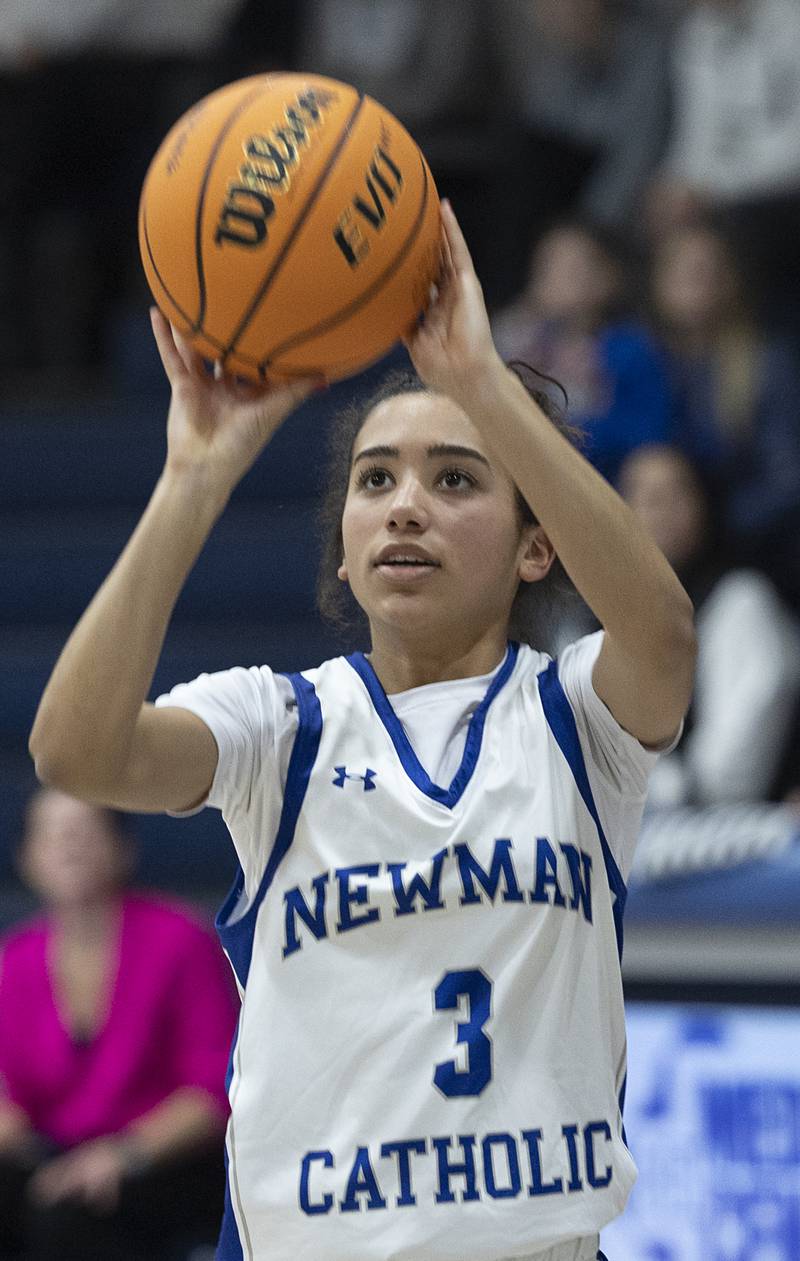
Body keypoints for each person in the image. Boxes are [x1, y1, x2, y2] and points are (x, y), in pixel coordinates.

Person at [28, 202, 696, 1260]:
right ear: (341, 550)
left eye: (455, 477)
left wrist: (482, 381)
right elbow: (76, 751)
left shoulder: (574, 717)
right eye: (374, 478)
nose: (403, 506)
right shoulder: (280, 724)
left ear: (536, 548)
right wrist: (192, 476)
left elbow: (660, 634)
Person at [0, 788, 237, 1260]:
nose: (69, 846)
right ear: (27, 858)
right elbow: (12, 1098)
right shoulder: (14, 960)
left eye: (84, 831)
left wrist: (123, 1155)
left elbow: (214, 1089)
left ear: (122, 848)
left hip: (163, 1161)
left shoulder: (180, 941)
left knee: (67, 1217)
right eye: (52, 835)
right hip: (55, 1156)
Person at [618, 443, 800, 809]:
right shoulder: (603, 612)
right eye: (650, 498)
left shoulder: (740, 599)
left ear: (702, 505)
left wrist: (649, 785)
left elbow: (729, 778)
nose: (664, 511)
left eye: (677, 494)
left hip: (742, 825)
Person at [650, 216, 800, 611]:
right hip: (645, 545)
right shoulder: (639, 358)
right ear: (658, 282)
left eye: (709, 269)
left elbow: (787, 478)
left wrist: (711, 529)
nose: (697, 279)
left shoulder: (765, 362)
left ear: (731, 281)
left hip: (743, 553)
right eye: (684, 268)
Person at [492, 220, 674, 486]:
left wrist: (559, 432)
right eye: (548, 266)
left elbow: (648, 431)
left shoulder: (629, 348)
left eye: (572, 268)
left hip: (604, 485)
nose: (555, 278)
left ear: (607, 279)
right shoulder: (511, 336)